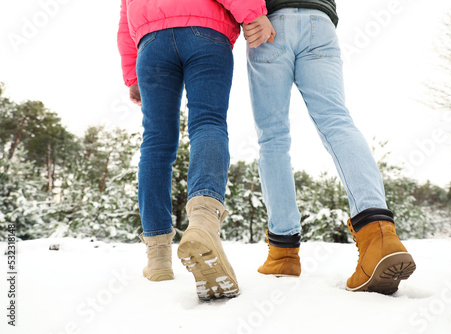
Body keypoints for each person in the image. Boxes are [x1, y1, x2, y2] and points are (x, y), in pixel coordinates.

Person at [243, 0, 416, 294]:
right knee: (337, 121)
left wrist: (249, 14)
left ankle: (283, 253)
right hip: (319, 23)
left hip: (269, 22)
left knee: (272, 138)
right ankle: (378, 234)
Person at [117, 0, 275, 299]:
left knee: (156, 142)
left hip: (150, 44)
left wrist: (131, 74)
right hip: (205, 31)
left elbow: (124, 21)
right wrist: (253, 14)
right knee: (208, 123)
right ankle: (203, 222)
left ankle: (158, 258)